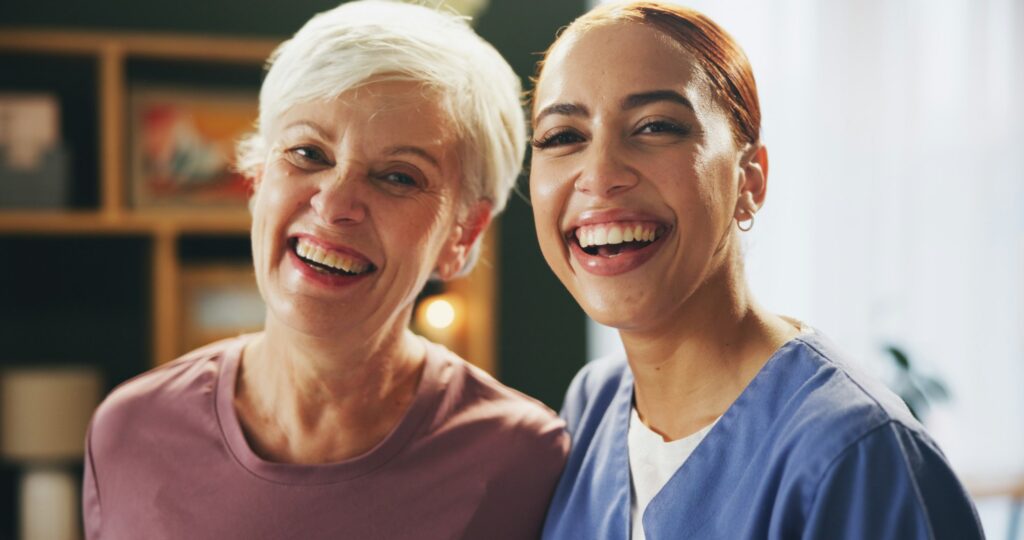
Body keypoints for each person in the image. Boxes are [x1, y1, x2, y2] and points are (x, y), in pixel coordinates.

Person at [83, 2, 568, 538]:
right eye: (309, 153)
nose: (336, 204)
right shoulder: (128, 432)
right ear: (258, 180)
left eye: (398, 177)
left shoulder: (527, 462)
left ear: (462, 236)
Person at [528, 2, 983, 539]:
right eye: (562, 137)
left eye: (655, 127)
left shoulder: (856, 451)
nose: (599, 175)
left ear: (750, 181)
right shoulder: (594, 407)